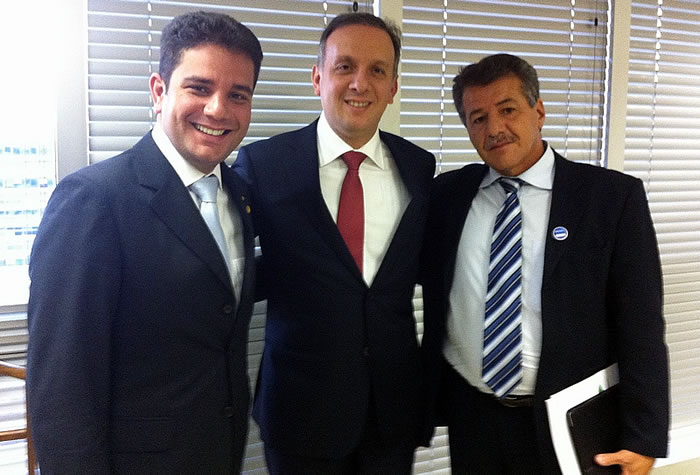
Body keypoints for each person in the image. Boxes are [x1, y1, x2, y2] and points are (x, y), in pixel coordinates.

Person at [26, 11, 262, 474]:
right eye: (199, 88)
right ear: (158, 91)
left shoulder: (238, 194)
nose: (218, 109)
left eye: (238, 94)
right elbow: (62, 383)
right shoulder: (93, 200)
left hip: (219, 453)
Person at [420, 53, 669, 474]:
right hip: (473, 419)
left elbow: (641, 325)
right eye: (478, 118)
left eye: (508, 110)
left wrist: (643, 437)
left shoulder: (610, 199)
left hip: (569, 422)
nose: (494, 128)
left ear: (538, 111)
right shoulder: (447, 196)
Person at [233, 12, 435, 475]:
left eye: (377, 70)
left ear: (393, 87)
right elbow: (232, 264)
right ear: (317, 77)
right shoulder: (265, 164)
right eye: (345, 67)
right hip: (300, 411)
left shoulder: (419, 167)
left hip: (391, 412)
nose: (360, 83)